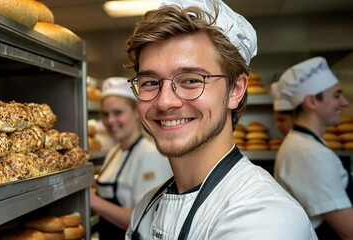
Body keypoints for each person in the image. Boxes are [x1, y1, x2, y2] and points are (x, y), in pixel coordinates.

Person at [123, 0, 317, 239]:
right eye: (150, 83)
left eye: (191, 80)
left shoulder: (266, 217)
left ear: (235, 89)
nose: (165, 102)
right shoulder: (146, 207)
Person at [274, 56, 353, 239]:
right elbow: (349, 231)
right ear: (311, 102)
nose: (344, 103)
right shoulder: (308, 153)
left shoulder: (305, 145)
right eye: (336, 95)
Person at [90, 77, 172, 240]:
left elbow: (147, 220)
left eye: (117, 113)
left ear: (136, 112)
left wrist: (93, 201)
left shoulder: (150, 154)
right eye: (105, 114)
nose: (110, 120)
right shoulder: (114, 151)